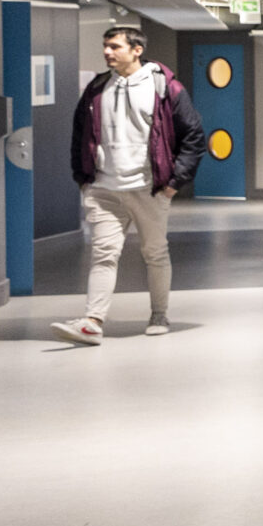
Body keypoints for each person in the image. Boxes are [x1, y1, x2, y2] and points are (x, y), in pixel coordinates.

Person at [50, 25, 205, 346]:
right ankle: (92, 321)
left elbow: (193, 137)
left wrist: (174, 183)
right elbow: (80, 136)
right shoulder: (96, 89)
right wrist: (84, 179)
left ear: (136, 50)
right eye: (106, 46)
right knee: (103, 255)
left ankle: (159, 314)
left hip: (149, 187)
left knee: (155, 253)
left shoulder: (165, 87)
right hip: (104, 189)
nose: (107, 52)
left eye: (115, 46)